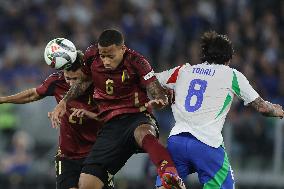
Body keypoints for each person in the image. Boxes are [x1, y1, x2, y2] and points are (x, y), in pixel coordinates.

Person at [50, 29, 186, 189]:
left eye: (110, 56)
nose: (106, 61)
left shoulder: (138, 62)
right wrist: (64, 101)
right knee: (87, 184)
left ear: (122, 49)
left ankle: (170, 174)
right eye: (103, 55)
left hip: (136, 116)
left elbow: (156, 90)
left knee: (143, 132)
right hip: (110, 125)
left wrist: (159, 101)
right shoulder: (91, 55)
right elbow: (83, 81)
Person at [147, 31, 284, 189]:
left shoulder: (183, 71)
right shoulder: (232, 75)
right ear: (228, 59)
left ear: (204, 55)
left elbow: (151, 80)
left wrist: (164, 93)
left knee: (166, 183)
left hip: (176, 141)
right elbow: (262, 107)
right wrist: (276, 110)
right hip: (207, 145)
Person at [0, 51, 114, 189]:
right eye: (68, 78)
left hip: (95, 154)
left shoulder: (100, 85)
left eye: (75, 79)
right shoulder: (57, 81)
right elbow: (32, 94)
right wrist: (4, 100)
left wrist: (89, 114)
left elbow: (114, 118)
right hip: (67, 155)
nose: (71, 83)